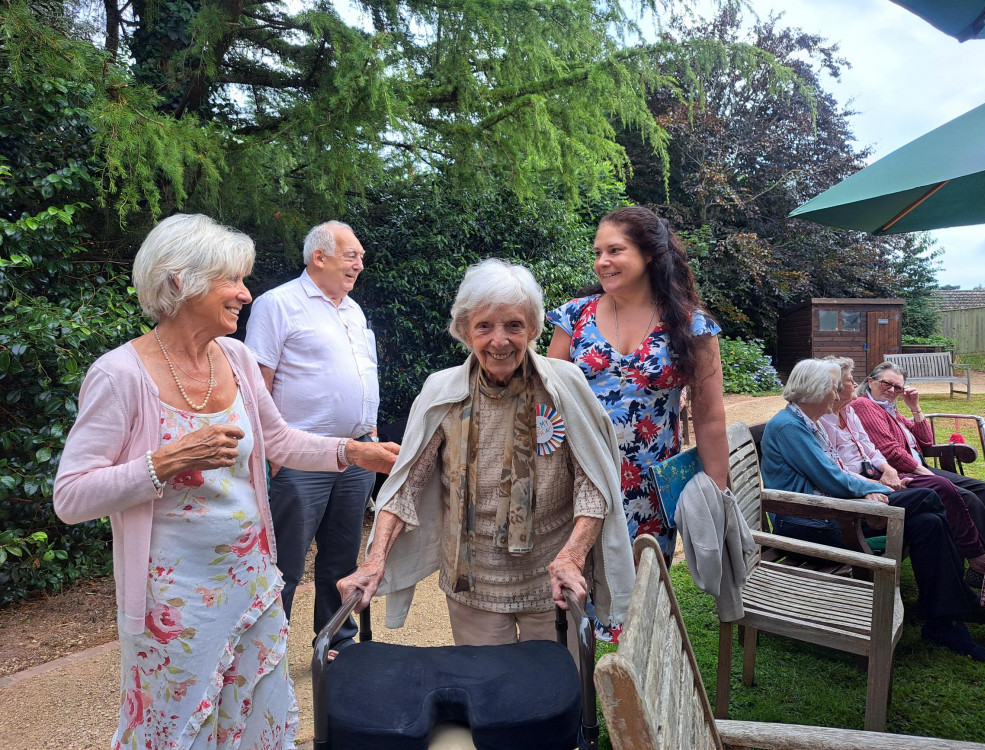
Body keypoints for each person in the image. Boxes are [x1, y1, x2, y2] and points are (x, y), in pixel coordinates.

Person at [53, 214, 399, 748]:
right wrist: (164, 462)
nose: (245, 293)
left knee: (258, 720)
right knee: (178, 726)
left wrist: (351, 451)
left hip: (254, 582)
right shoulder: (119, 375)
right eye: (232, 280)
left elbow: (279, 439)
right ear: (178, 282)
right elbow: (71, 496)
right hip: (175, 601)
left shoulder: (235, 357)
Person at [337, 259, 634, 654]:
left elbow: (593, 484)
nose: (500, 340)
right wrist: (373, 562)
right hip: (472, 584)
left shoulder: (564, 386)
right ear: (465, 331)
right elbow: (406, 483)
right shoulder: (442, 392)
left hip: (553, 581)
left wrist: (572, 557)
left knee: (555, 695)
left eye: (514, 325)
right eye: (484, 326)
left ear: (532, 328)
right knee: (488, 696)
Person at [761, 358, 985, 661]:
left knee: (930, 524)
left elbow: (835, 473)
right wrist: (880, 490)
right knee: (928, 499)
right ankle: (961, 603)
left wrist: (868, 493)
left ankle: (942, 622)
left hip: (836, 510)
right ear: (816, 390)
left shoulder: (807, 422)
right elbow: (830, 478)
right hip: (813, 523)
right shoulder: (790, 427)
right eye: (833, 388)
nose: (837, 395)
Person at [547, 206, 728, 567]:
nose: (602, 262)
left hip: (651, 489)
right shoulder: (573, 317)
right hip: (581, 480)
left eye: (615, 250)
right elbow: (548, 406)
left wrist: (716, 493)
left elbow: (709, 418)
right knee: (580, 585)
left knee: (641, 589)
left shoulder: (693, 326)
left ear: (649, 254)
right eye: (598, 253)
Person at [244, 220, 379, 650]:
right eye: (351, 254)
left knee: (342, 559)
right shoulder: (277, 304)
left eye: (360, 256)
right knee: (283, 564)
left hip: (357, 455)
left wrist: (371, 432)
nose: (360, 263)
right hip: (300, 457)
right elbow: (257, 383)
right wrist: (272, 454)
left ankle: (336, 642)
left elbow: (361, 374)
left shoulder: (352, 310)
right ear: (319, 257)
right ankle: (267, 655)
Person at [819, 357, 985, 575]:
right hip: (901, 473)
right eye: (886, 384)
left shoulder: (886, 408)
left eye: (897, 387)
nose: (892, 390)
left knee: (983, 490)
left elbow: (925, 441)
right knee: (959, 496)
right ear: (870, 381)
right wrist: (921, 471)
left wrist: (916, 408)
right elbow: (889, 452)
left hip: (906, 470)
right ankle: (982, 562)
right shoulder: (864, 405)